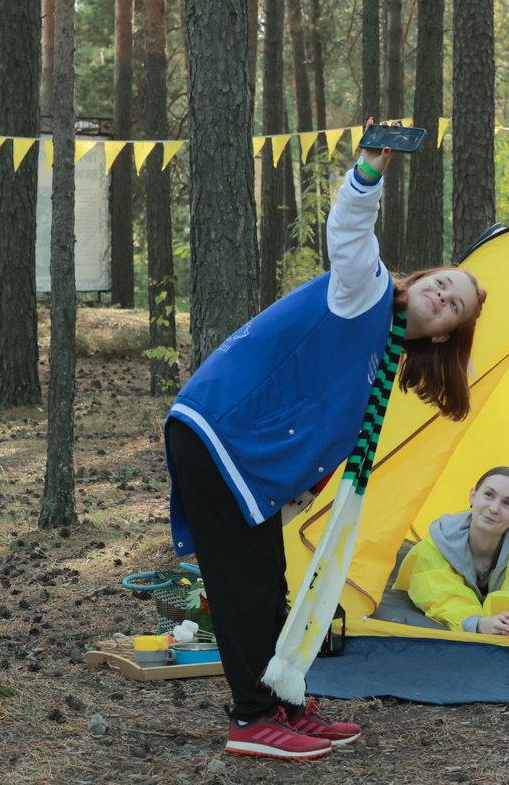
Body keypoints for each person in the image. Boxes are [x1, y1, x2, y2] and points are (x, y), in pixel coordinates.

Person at [164, 129, 486, 760]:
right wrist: (367, 173)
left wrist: (296, 494)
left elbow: (327, 422)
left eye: (455, 306)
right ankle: (253, 719)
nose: (443, 296)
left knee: (268, 580)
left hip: (254, 455)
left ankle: (282, 700)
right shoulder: (364, 290)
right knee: (244, 584)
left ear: (445, 334)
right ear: (425, 277)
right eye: (444, 283)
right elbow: (349, 229)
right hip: (222, 431)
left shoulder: (384, 352)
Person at [392, 467, 509, 635]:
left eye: (507, 503)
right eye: (489, 495)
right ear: (473, 496)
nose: (494, 508)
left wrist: (503, 624)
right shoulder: (440, 539)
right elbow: (437, 592)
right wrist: (478, 623)